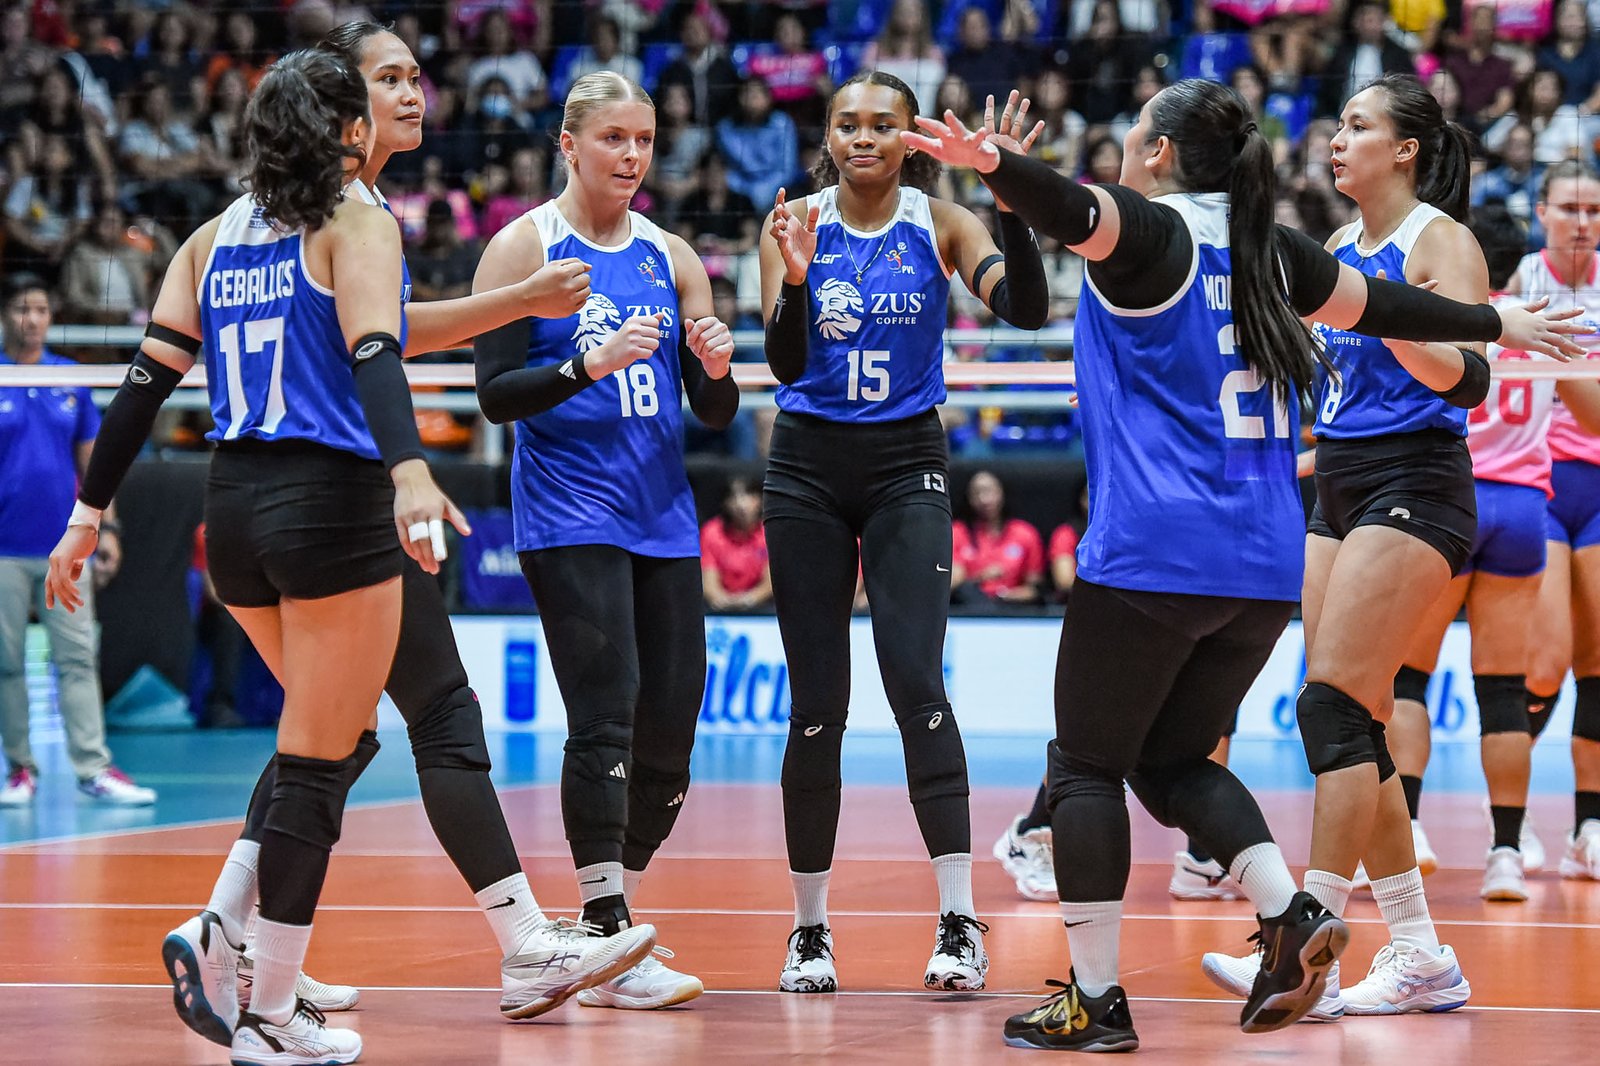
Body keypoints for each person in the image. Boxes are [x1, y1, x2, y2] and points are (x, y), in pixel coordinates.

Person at [906, 78, 1589, 1050]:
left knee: (1123, 755)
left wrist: (997, 168)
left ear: (1156, 153)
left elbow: (1074, 211)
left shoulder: (1183, 233)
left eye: (1360, 123)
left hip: (1232, 523)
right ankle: (1339, 925)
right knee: (1213, 744)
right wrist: (1481, 329)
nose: (1339, 135)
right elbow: (1377, 314)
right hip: (1279, 530)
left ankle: (1123, 987)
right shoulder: (1291, 250)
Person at [44, 51, 655, 1066]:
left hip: (230, 509)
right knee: (352, 747)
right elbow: (375, 351)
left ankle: (234, 938)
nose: (407, 97)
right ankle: (270, 998)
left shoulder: (208, 236)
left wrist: (86, 511)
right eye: (384, 84)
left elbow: (145, 385)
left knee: (329, 735)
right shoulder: (355, 219)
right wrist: (412, 471)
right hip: (330, 502)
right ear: (343, 122)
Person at [761, 74, 1050, 994]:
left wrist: (1008, 193)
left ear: (911, 138)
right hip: (805, 468)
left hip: (905, 466)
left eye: (883, 125)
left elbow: (1028, 308)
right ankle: (810, 930)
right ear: (830, 133)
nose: (863, 138)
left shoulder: (942, 220)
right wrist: (799, 279)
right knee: (816, 705)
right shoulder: (793, 220)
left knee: (918, 683)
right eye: (847, 124)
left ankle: (959, 921)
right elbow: (784, 362)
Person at [474, 69, 740, 1011]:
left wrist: (714, 370)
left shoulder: (672, 256)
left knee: (673, 726)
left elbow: (713, 411)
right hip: (567, 512)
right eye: (614, 139)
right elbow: (496, 394)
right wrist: (584, 362)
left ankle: (603, 930)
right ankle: (603, 931)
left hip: (661, 515)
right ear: (569, 144)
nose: (633, 156)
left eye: (645, 139)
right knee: (608, 710)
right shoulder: (524, 246)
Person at [1389, 174, 1600, 902]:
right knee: (1506, 691)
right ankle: (1506, 851)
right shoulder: (1539, 322)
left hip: (1454, 498)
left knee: (1408, 677)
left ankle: (1407, 830)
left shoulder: (1449, 318)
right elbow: (1592, 416)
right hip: (1523, 511)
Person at [0, 275, 154, 808]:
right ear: (6, 316)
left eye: (41, 308)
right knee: (7, 662)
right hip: (4, 550)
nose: (32, 318)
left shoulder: (72, 378)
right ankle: (20, 770)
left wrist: (105, 530)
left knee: (78, 658)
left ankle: (93, 767)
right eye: (22, 308)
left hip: (64, 551)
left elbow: (95, 466)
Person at [1523, 162, 1600, 883]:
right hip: (1541, 480)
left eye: (1594, 210)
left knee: (1598, 661)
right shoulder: (1520, 280)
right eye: (1570, 207)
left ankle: (1589, 827)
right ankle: (1510, 829)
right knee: (1544, 660)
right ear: (1541, 211)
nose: (1583, 221)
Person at [952, 469, 1044, 606]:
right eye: (976, 493)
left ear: (1002, 492)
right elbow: (949, 583)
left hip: (1013, 611)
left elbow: (1035, 588)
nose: (984, 499)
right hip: (967, 608)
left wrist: (1005, 596)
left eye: (989, 491)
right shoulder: (956, 532)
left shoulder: (1025, 533)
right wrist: (981, 577)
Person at [702, 476, 773, 612]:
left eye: (748, 496)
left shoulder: (769, 532)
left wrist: (748, 599)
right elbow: (709, 582)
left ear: (760, 499)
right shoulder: (711, 532)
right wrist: (721, 599)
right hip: (719, 609)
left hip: (763, 609)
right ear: (725, 503)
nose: (741, 504)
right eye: (734, 497)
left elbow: (770, 583)